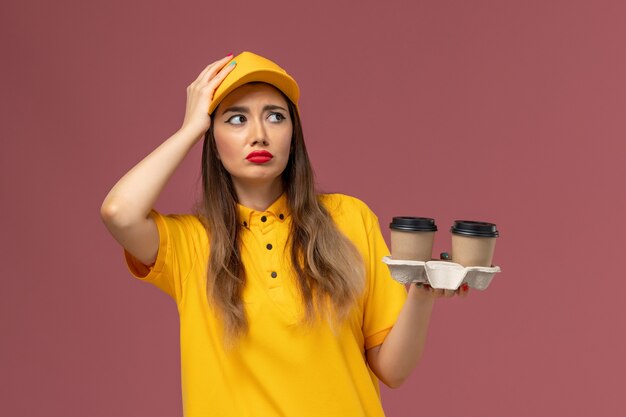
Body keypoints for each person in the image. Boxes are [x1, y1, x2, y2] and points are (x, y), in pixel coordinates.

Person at [100, 51, 469, 417]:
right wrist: (189, 129)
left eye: (275, 117)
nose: (259, 135)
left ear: (294, 134)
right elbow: (119, 212)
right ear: (211, 138)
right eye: (236, 119)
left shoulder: (349, 218)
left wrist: (422, 294)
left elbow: (393, 370)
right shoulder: (192, 243)